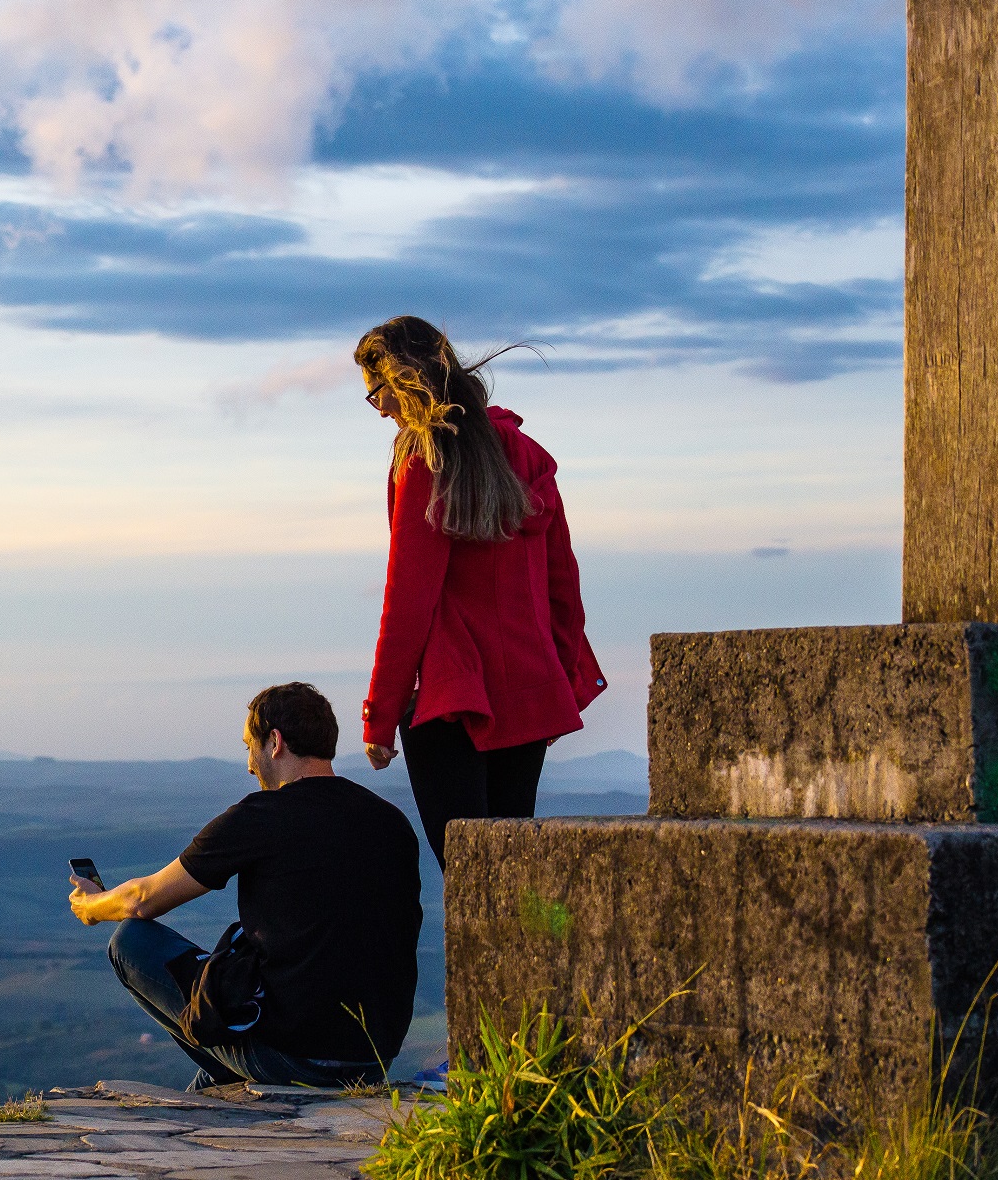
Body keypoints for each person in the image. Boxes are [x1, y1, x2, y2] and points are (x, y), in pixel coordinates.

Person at [68, 682, 422, 1091]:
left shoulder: (261, 816)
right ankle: (224, 1077)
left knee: (129, 941)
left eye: (248, 746)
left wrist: (91, 907)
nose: (249, 765)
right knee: (214, 1070)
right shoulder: (391, 822)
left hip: (293, 1055)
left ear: (275, 742)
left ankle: (232, 1070)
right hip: (374, 1056)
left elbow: (143, 900)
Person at [357, 315, 606, 871]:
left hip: (453, 697)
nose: (378, 408)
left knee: (472, 875)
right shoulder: (528, 455)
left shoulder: (421, 457)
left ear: (404, 381)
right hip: (526, 688)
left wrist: (380, 713)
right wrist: (559, 680)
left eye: (377, 392)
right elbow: (563, 585)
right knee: (512, 872)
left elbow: (409, 597)